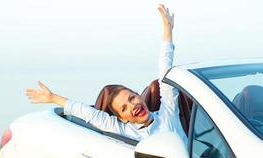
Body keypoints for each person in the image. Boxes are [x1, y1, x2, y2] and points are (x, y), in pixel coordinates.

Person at [26, 4, 188, 146]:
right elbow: (88, 113)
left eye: (132, 98)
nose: (132, 106)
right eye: (124, 108)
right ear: (122, 118)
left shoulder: (168, 112)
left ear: (139, 96)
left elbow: (165, 72)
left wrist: (168, 31)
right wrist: (53, 98)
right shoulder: (123, 130)